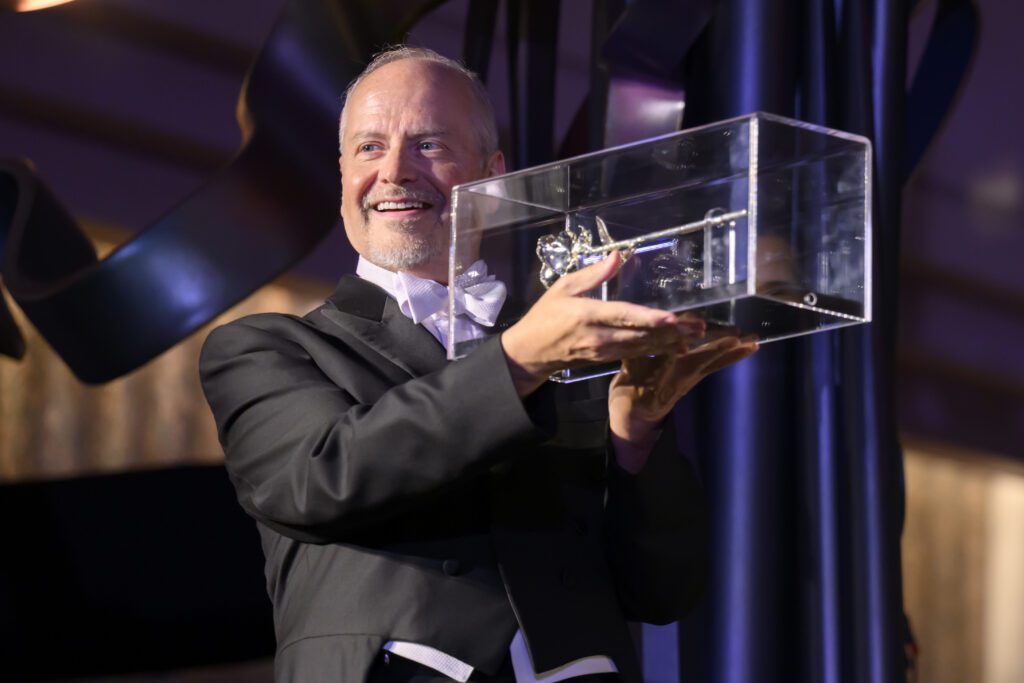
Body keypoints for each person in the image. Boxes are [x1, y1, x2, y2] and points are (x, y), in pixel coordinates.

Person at [199, 46, 757, 683]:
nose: (396, 172)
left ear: (493, 178)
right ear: (342, 176)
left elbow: (665, 592)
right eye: (369, 148)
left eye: (429, 144)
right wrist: (520, 359)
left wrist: (636, 434)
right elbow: (322, 476)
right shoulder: (265, 347)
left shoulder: (576, 346)